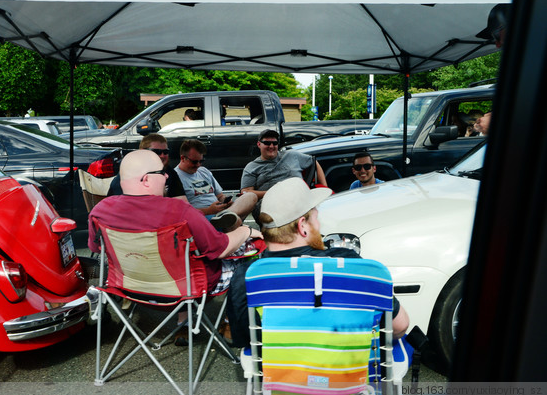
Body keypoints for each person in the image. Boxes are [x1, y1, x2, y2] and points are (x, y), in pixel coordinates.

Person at [226, 177, 409, 348]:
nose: (319, 225)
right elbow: (400, 325)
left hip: (279, 375)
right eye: (316, 217)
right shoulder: (350, 264)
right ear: (302, 226)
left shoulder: (247, 276)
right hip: (345, 374)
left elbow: (244, 339)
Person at [88, 149, 263, 296]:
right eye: (161, 173)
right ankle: (229, 322)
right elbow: (220, 249)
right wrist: (246, 231)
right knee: (252, 255)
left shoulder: (100, 211)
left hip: (129, 288)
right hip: (185, 289)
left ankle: (184, 323)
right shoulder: (178, 211)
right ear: (146, 179)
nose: (166, 176)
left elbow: (97, 249)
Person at [240, 129, 327, 219]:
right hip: (269, 205)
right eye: (267, 143)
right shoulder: (252, 167)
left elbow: (314, 162)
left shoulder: (292, 155)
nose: (271, 146)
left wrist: (324, 187)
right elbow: (246, 191)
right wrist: (272, 193)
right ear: (259, 144)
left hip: (298, 200)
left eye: (275, 143)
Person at [174, 139, 257, 232]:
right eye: (194, 162)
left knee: (251, 196)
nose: (198, 165)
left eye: (201, 161)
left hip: (219, 212)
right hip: (201, 216)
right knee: (235, 221)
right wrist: (209, 210)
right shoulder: (175, 177)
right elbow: (184, 212)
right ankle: (228, 220)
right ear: (182, 158)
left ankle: (227, 215)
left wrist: (226, 202)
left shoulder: (203, 171)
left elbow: (220, 196)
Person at [107, 133, 186, 199]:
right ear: (143, 152)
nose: (162, 155)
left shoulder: (170, 173)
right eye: (157, 151)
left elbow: (182, 201)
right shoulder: (128, 176)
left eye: (165, 152)